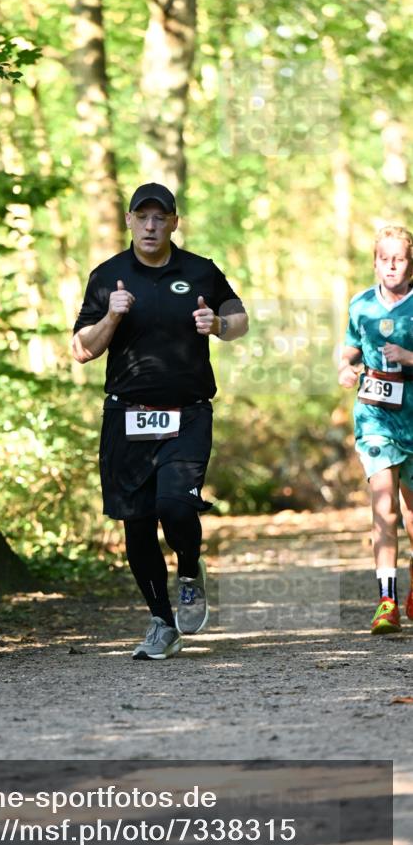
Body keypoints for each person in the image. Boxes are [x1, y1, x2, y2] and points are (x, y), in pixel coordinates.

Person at [72, 183, 248, 659]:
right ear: (128, 220)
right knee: (137, 522)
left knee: (175, 505)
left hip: (188, 413)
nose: (151, 226)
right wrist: (111, 316)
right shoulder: (107, 276)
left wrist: (219, 325)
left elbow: (240, 318)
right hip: (126, 417)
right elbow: (82, 349)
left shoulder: (200, 271)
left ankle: (189, 567)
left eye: (160, 218)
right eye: (142, 217)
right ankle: (161, 623)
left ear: (174, 222)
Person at [339, 224, 413, 634]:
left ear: (410, 263)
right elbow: (348, 345)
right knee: (382, 503)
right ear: (374, 262)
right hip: (374, 416)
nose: (390, 266)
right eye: (383, 259)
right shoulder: (361, 304)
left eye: (398, 259)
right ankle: (386, 601)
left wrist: (408, 355)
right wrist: (344, 367)